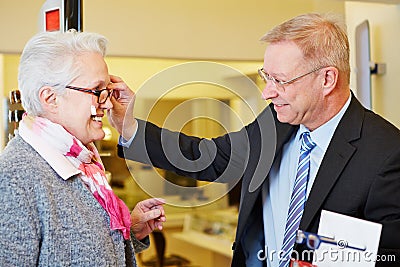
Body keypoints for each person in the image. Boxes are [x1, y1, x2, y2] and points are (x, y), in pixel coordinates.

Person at [108, 13, 400, 267]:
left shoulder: (387, 153)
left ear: (327, 79)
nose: (267, 93)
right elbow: (207, 156)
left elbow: (392, 254)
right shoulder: (274, 122)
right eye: (266, 77)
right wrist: (130, 126)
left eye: (280, 81)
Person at [0, 30, 166, 266]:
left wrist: (131, 232)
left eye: (108, 91)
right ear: (51, 98)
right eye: (97, 91)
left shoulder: (82, 164)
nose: (108, 103)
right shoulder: (14, 177)